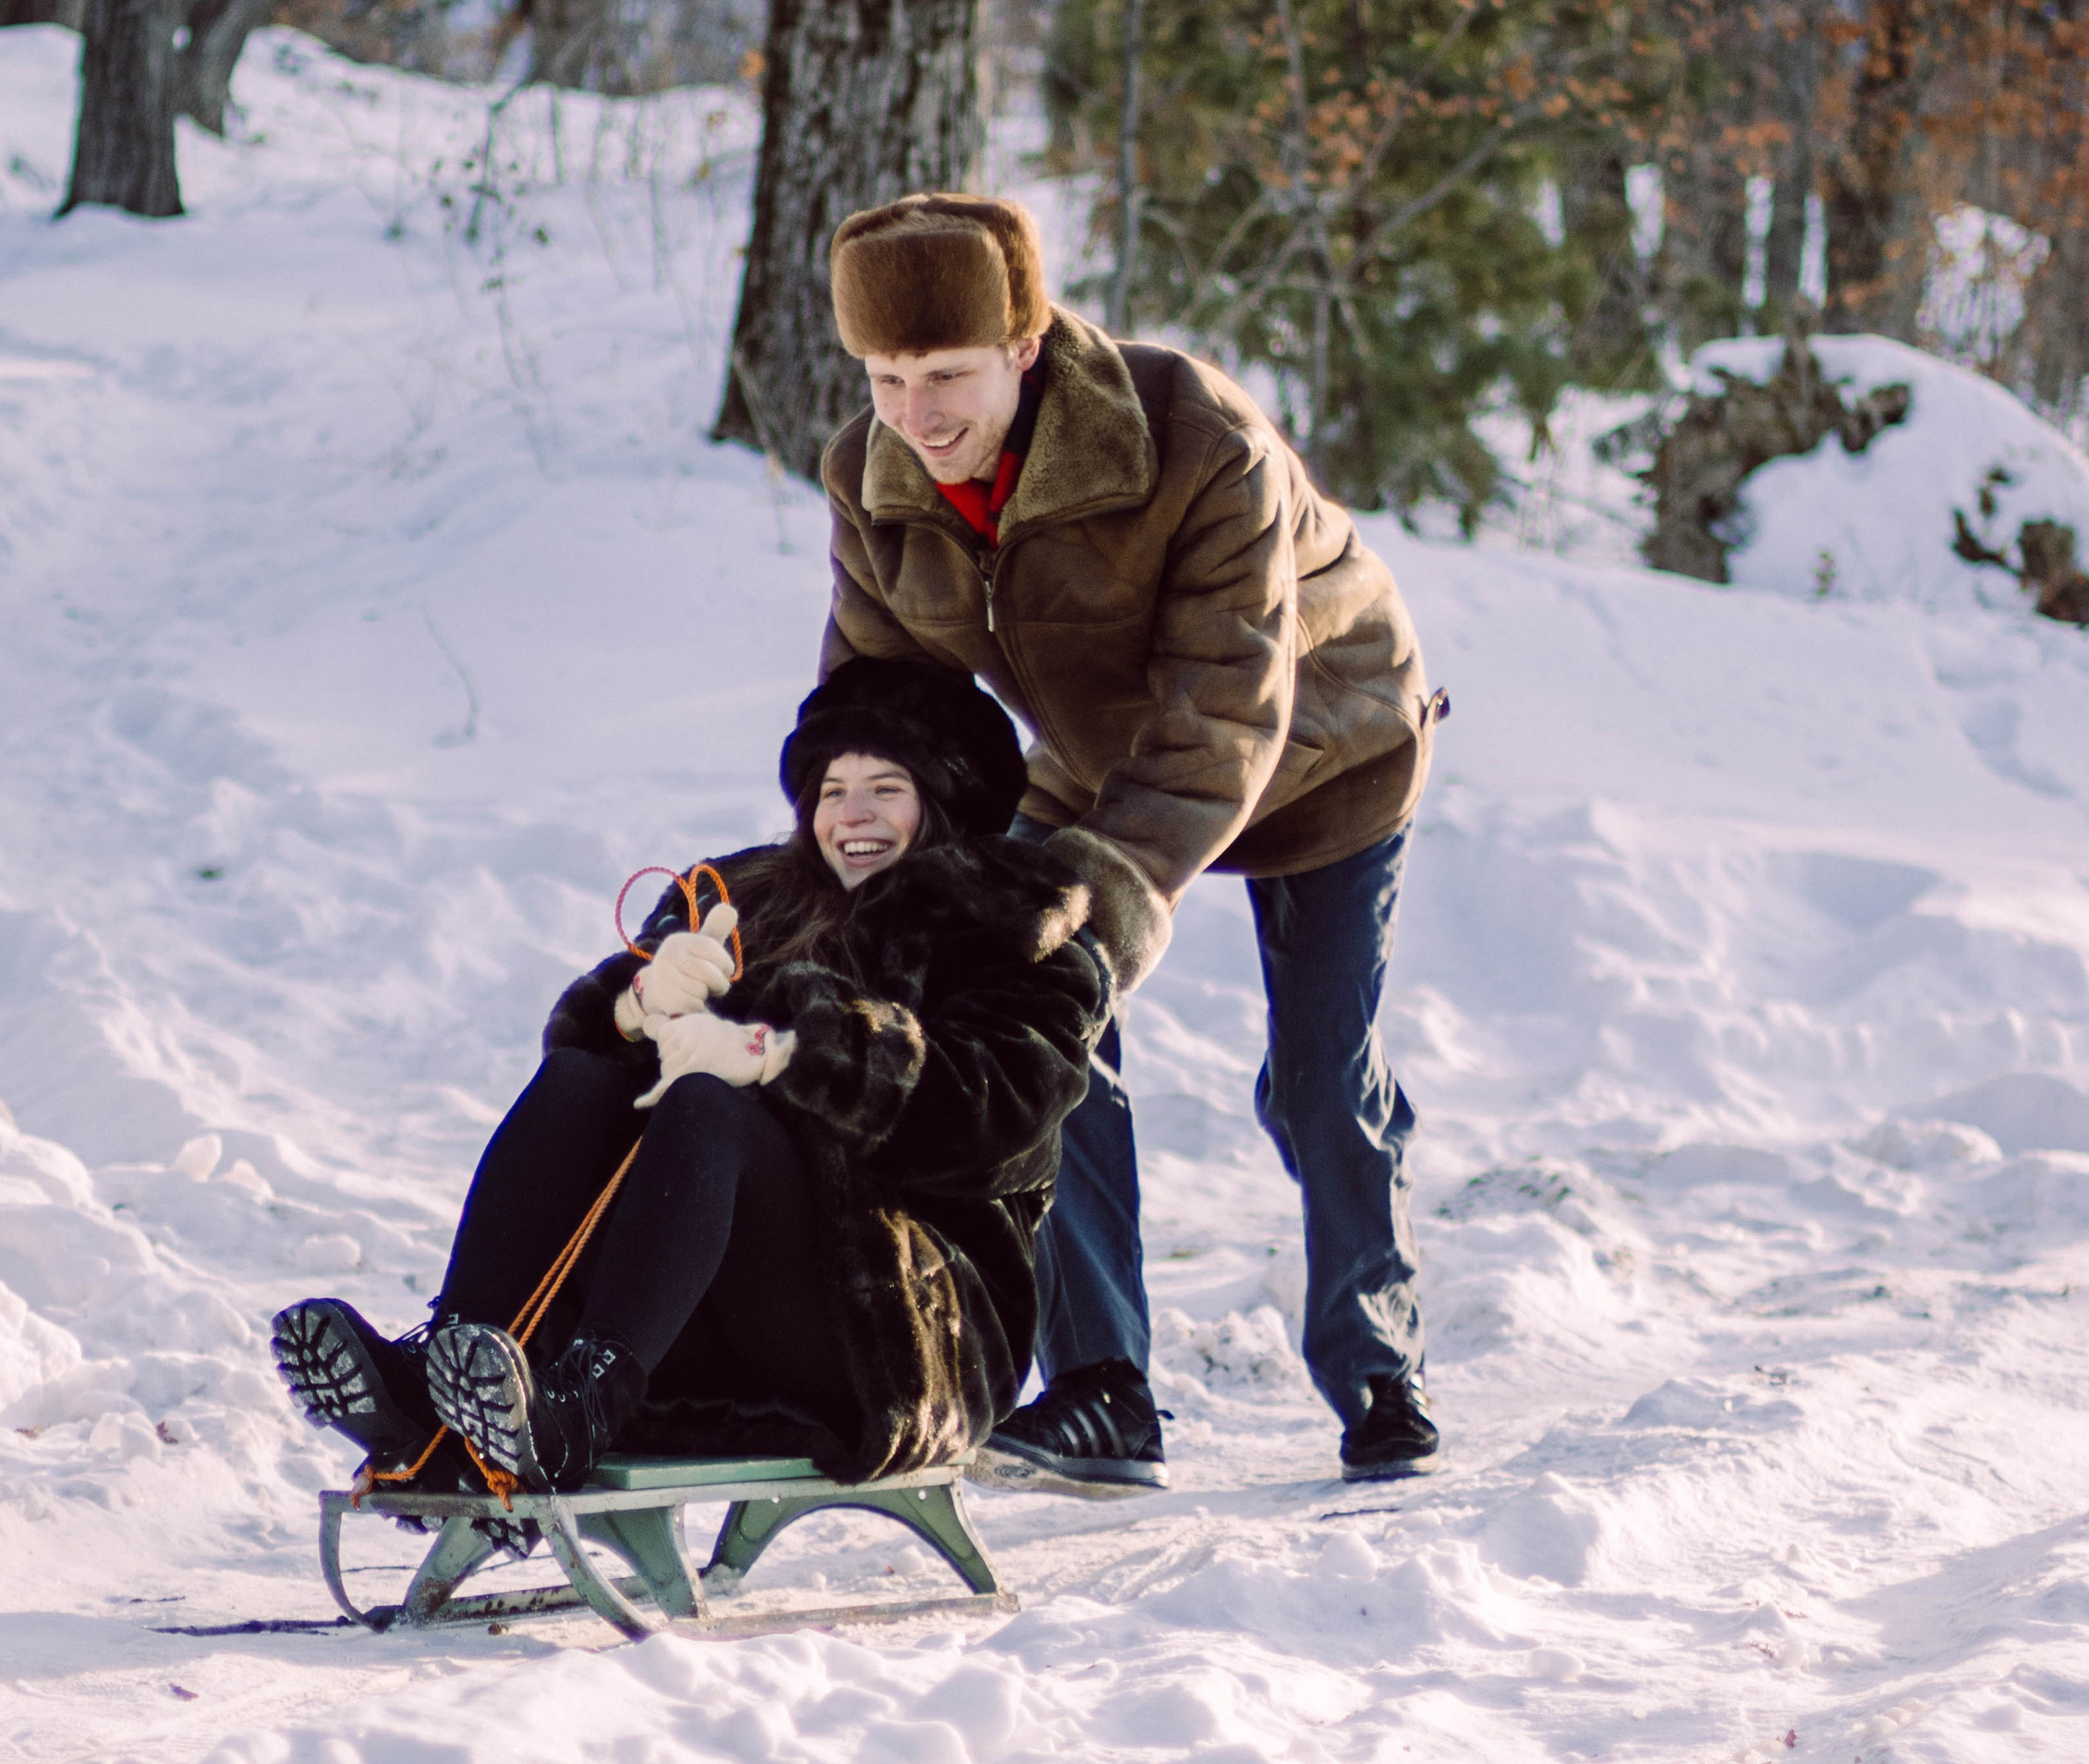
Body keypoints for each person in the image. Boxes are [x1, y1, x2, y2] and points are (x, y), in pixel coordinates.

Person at [817, 190, 1447, 1490]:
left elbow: (1225, 712)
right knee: (1034, 1024)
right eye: (886, 378)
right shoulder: (873, 475)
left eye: (948, 375)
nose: (916, 415)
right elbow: (882, 703)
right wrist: (852, 866)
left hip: (1327, 743)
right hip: (1101, 755)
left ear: (1025, 342)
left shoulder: (1194, 436)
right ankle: (1103, 1388)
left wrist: (1095, 903)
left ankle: (1378, 1367)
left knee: (1320, 1078)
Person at [271, 660, 1115, 1498]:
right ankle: (453, 1367)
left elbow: (996, 1114)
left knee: (712, 1107)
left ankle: (587, 1401)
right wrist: (639, 1003)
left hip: (898, 1334)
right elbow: (592, 1058)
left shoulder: (1018, 928)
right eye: (831, 790)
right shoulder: (747, 894)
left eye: (886, 789)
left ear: (950, 798)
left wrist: (786, 1052)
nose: (851, 815)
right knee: (581, 1081)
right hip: (702, 1306)